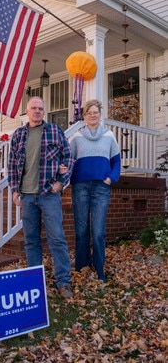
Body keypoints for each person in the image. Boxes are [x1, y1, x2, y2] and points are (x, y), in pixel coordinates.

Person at [7, 96, 75, 299]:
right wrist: (14, 189)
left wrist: (61, 182)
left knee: (57, 238)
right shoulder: (18, 135)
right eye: (33, 108)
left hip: (49, 194)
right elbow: (11, 164)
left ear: (44, 112)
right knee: (31, 241)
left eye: (40, 108)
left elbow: (68, 158)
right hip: (27, 196)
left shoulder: (55, 131)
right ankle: (34, 282)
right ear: (27, 112)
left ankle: (63, 282)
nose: (37, 111)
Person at [69, 99, 121, 282]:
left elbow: (116, 160)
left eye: (96, 112)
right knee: (82, 230)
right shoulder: (76, 137)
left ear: (100, 115)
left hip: (101, 187)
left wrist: (111, 178)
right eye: (89, 112)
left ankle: (99, 269)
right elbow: (68, 160)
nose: (93, 115)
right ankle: (82, 268)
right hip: (80, 187)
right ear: (84, 116)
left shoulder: (109, 136)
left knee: (98, 231)